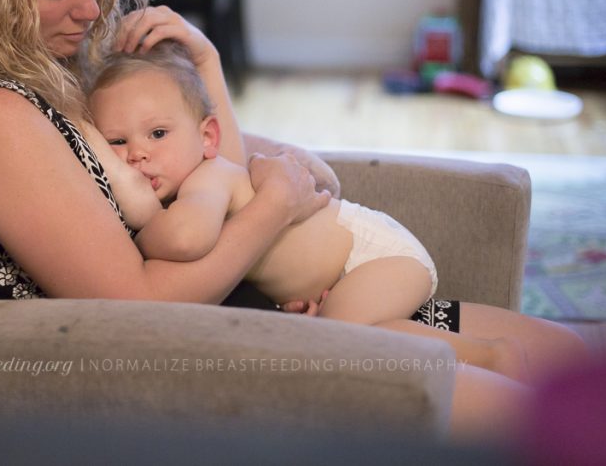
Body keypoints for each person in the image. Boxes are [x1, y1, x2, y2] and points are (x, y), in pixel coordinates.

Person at [0, 0, 586, 442]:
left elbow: (296, 171)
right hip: (211, 362)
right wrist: (274, 210)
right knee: (579, 419)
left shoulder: (68, 73)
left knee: (592, 362)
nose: (95, 8)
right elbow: (134, 305)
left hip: (282, 312)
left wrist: (231, 113)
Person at [86, 40, 527, 380]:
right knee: (350, 333)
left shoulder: (209, 178)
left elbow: (186, 238)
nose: (137, 154)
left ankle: (489, 356)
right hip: (349, 271)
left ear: (207, 137)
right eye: (117, 142)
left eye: (158, 133)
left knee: (342, 341)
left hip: (374, 254)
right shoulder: (194, 184)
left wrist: (139, 231)